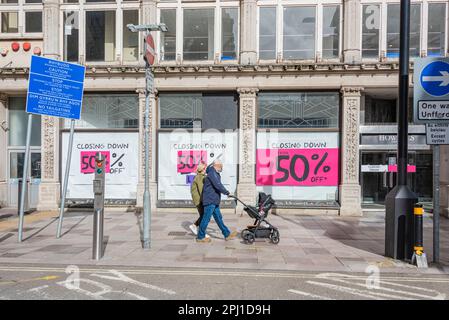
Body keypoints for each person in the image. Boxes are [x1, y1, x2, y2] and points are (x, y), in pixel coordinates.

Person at [196, 159, 237, 243]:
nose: (222, 168)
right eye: (221, 166)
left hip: (214, 200)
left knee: (219, 218)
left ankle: (227, 234)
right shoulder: (212, 173)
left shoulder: (214, 173)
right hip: (210, 200)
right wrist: (227, 192)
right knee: (206, 218)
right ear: (216, 165)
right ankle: (200, 237)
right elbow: (218, 185)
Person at [189, 162, 210, 238]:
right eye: (205, 168)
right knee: (204, 216)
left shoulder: (199, 176)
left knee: (204, 216)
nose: (206, 170)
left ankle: (196, 228)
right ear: (203, 169)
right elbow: (202, 190)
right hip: (199, 200)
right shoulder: (200, 177)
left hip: (199, 200)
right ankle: (198, 229)